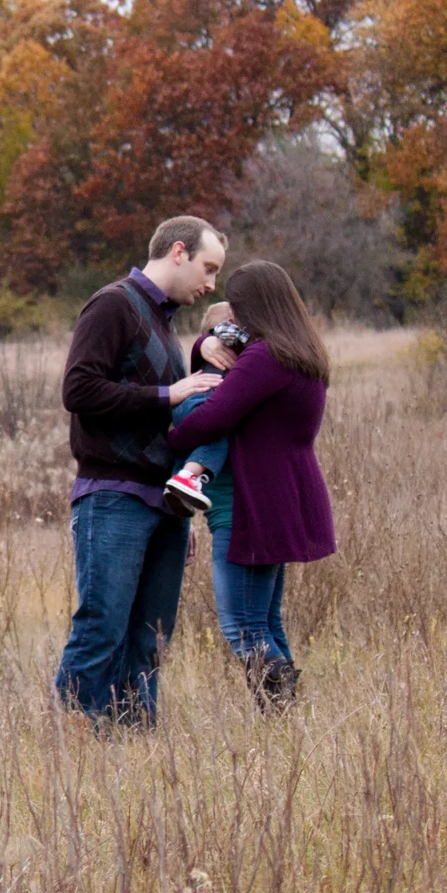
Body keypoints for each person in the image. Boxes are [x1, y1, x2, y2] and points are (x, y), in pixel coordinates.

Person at [53, 217, 226, 727]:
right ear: (179, 251)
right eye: (208, 268)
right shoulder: (113, 304)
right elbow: (78, 391)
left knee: (150, 636)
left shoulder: (164, 322)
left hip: (164, 505)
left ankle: (134, 748)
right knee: (103, 624)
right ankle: (73, 741)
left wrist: (184, 509)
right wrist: (167, 393)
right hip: (114, 495)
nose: (212, 284)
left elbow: (171, 425)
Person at [167, 260, 334, 709]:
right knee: (265, 622)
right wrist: (205, 343)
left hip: (252, 501)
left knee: (242, 626)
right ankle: (285, 722)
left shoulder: (266, 357)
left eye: (238, 310)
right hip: (281, 494)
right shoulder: (299, 350)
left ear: (255, 307)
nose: (233, 320)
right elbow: (223, 355)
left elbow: (217, 412)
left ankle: (281, 711)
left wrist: (171, 437)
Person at [162, 302, 249, 515]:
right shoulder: (227, 336)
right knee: (218, 433)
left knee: (194, 448)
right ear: (231, 321)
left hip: (185, 402)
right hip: (204, 403)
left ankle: (177, 484)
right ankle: (189, 477)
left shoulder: (208, 347)